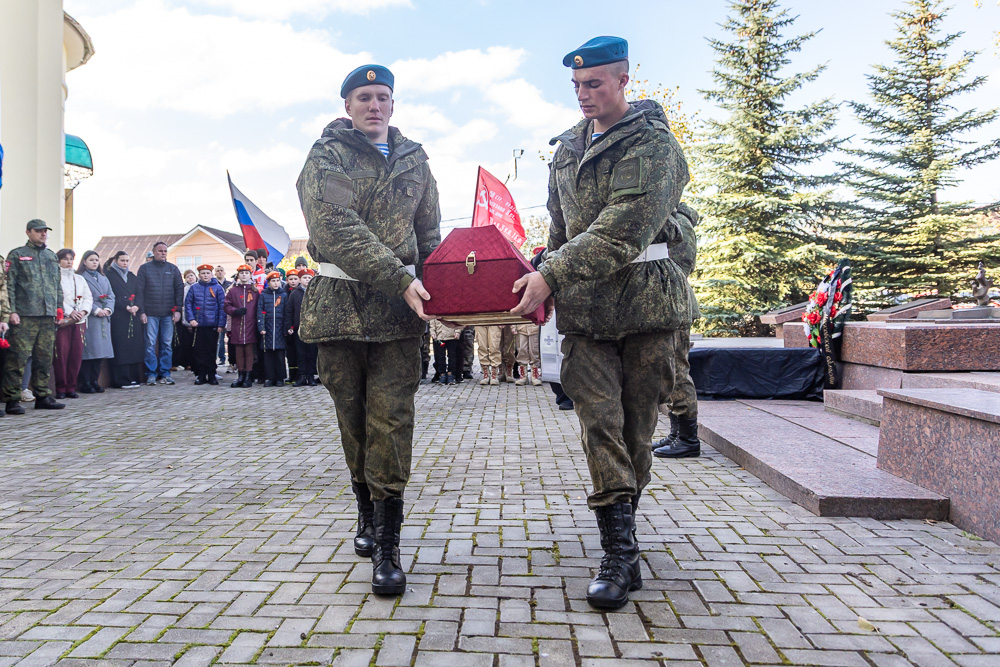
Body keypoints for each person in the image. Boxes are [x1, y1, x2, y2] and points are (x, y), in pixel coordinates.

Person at [511, 37, 690, 610]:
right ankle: (617, 551)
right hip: (587, 311)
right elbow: (561, 230)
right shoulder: (565, 150)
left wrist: (553, 270)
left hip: (644, 307)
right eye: (577, 87)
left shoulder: (656, 146)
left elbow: (626, 225)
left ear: (623, 80)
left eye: (595, 84)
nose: (585, 95)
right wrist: (541, 276)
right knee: (600, 425)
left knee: (637, 429)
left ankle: (625, 533)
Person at [296, 63, 441, 596]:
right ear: (348, 106)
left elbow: (429, 234)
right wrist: (398, 275)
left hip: (399, 317)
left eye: (382, 97)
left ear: (393, 104)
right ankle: (365, 508)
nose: (374, 105)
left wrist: (440, 292)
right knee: (354, 420)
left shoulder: (416, 162)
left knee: (392, 422)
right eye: (364, 97)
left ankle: (388, 544)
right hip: (339, 311)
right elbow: (333, 228)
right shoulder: (327, 156)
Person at [654, 203, 702, 459]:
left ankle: (688, 439)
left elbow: (682, 263)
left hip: (674, 304)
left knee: (678, 371)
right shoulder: (667, 214)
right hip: (665, 304)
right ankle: (676, 433)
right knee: (670, 371)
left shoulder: (680, 221)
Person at [2, 220, 64, 413]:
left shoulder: (51, 256)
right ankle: (12, 399)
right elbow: (8, 285)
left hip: (47, 315)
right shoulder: (18, 255)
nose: (43, 234)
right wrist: (11, 311)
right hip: (24, 315)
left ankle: (43, 395)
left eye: (45, 231)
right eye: (38, 231)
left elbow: (57, 286)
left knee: (44, 358)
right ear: (28, 232)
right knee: (18, 358)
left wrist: (59, 308)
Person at [136, 241, 183, 385]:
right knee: (150, 344)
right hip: (150, 313)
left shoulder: (173, 269)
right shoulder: (144, 269)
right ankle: (151, 374)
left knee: (167, 344)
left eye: (165, 251)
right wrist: (142, 311)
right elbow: (139, 291)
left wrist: (178, 310)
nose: (163, 253)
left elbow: (179, 290)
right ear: (154, 252)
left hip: (168, 313)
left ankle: (165, 373)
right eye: (160, 251)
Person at [53, 248, 92, 399]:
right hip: (64, 320)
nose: (69, 262)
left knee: (76, 355)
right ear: (59, 260)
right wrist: (69, 312)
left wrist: (83, 311)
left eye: (71, 259)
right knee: (61, 355)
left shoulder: (79, 279)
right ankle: (61, 388)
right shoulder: (56, 278)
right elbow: (58, 298)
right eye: (65, 259)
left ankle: (71, 387)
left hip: (79, 321)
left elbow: (88, 297)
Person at [105, 251, 145, 388]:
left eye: (127, 261)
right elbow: (110, 295)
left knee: (134, 346)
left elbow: (140, 293)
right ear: (115, 260)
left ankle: (133, 377)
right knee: (121, 346)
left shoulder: (131, 276)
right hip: (119, 316)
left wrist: (137, 306)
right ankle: (121, 379)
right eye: (122, 260)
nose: (125, 263)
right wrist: (125, 306)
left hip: (133, 315)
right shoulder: (109, 275)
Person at [77, 250, 115, 394]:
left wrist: (108, 309)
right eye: (91, 260)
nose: (94, 262)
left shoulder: (103, 277)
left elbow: (111, 295)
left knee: (99, 353)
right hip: (90, 318)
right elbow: (82, 297)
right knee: (89, 352)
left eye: (96, 260)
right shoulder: (81, 277)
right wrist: (96, 310)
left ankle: (95, 380)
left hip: (104, 318)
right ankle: (85, 382)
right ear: (84, 261)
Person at [185, 264, 226, 385]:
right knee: (199, 350)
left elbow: (222, 307)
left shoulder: (218, 289)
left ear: (211, 274)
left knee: (211, 350)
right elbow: (188, 304)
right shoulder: (194, 288)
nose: (205, 275)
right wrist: (191, 319)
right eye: (203, 273)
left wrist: (220, 324)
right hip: (198, 325)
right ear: (199, 275)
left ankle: (212, 374)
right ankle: (201, 374)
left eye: (208, 273)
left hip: (212, 325)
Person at [224, 264, 258, 388]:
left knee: (249, 351)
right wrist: (235, 311)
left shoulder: (255, 291)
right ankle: (240, 375)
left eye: (246, 273)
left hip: (250, 325)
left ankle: (248, 376)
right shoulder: (232, 291)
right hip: (237, 325)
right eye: (242, 273)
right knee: (239, 351)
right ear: (238, 275)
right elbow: (226, 305)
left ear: (250, 275)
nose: (244, 275)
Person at [256, 271, 287, 387]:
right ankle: (270, 377)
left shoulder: (283, 295)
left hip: (279, 328)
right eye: (273, 281)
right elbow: (260, 312)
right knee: (268, 355)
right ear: (268, 283)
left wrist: (286, 328)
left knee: (280, 355)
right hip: (267, 328)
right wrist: (261, 327)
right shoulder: (263, 295)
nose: (276, 283)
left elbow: (286, 312)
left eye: (277, 280)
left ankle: (280, 378)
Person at [296, 269, 318, 385]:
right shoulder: (295, 293)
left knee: (311, 353)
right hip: (298, 327)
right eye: (304, 277)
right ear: (300, 279)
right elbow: (290, 310)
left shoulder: (316, 292)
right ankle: (302, 375)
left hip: (312, 328)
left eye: (309, 278)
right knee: (301, 353)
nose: (307, 280)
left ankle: (311, 376)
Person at [429, 319, 463, 385]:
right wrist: (432, 332)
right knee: (440, 356)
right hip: (440, 338)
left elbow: (457, 319)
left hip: (452, 337)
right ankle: (442, 375)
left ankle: (451, 375)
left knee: (452, 356)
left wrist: (458, 331)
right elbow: (432, 321)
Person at [283, 269, 302, 383]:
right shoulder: (284, 292)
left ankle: (300, 374)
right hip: (288, 325)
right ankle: (292, 375)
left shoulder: (300, 292)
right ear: (287, 280)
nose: (293, 281)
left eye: (295, 279)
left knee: (299, 352)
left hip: (298, 325)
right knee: (290, 353)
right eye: (291, 279)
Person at [215, 265, 233, 369]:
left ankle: (231, 360)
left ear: (224, 272)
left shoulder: (230, 284)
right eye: (218, 271)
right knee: (220, 338)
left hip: (229, 314)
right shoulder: (214, 284)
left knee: (231, 338)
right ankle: (221, 358)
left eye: (221, 270)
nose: (220, 272)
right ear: (215, 273)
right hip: (220, 314)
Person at [513, 321, 542, 386]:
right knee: (521, 350)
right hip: (521, 326)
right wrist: (513, 326)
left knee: (534, 351)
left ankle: (534, 376)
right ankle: (523, 376)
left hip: (535, 326)